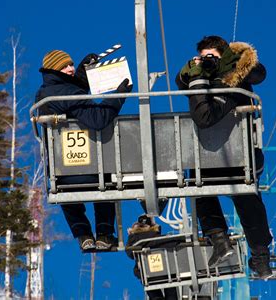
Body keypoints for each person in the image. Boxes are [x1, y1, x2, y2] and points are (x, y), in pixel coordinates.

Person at [175, 36, 273, 279]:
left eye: (213, 57)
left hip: (240, 157)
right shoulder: (205, 80)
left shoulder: (233, 81)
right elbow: (186, 89)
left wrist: (217, 72)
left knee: (247, 200)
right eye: (203, 57)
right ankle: (221, 242)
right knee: (198, 190)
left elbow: (205, 116)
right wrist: (195, 74)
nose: (208, 62)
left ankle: (259, 256)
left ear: (225, 55)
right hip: (210, 158)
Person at [36, 49, 132, 251]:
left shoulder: (44, 93)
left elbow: (69, 98)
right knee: (106, 178)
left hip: (60, 170)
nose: (70, 68)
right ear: (55, 69)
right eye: (66, 66)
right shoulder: (69, 93)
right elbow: (97, 119)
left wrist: (81, 73)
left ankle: (83, 234)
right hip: (90, 169)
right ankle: (104, 234)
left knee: (63, 188)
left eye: (71, 64)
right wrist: (119, 96)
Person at [125, 215, 178, 300]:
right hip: (166, 272)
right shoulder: (157, 237)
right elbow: (173, 242)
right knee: (171, 286)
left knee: (149, 284)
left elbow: (129, 253)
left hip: (146, 273)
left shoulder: (134, 240)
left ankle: (156, 297)